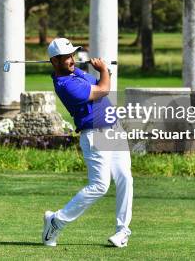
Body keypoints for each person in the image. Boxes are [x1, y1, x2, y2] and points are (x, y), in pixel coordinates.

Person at [42, 37, 133, 248]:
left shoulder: (75, 73)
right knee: (100, 185)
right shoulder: (65, 85)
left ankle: (122, 232)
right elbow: (102, 90)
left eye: (73, 55)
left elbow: (98, 83)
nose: (72, 59)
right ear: (55, 61)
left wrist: (102, 72)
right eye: (67, 57)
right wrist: (103, 71)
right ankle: (56, 221)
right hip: (95, 133)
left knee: (125, 179)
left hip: (114, 130)